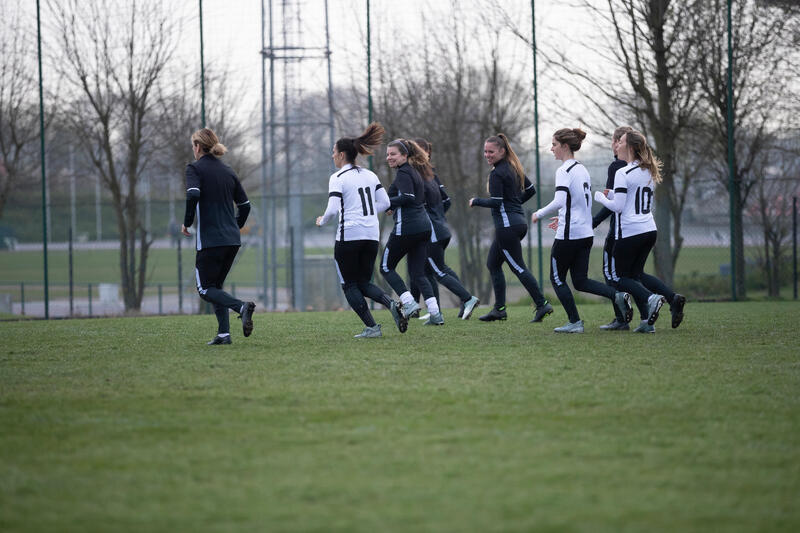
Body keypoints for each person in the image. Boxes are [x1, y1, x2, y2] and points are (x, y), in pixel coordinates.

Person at [531, 128, 632, 333]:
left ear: (565, 146)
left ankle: (575, 322)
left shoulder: (564, 170)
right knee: (580, 280)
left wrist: (538, 213)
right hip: (585, 233)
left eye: (554, 145)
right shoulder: (582, 169)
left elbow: (560, 200)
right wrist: (563, 218)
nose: (551, 149)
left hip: (569, 235)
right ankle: (618, 295)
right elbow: (577, 203)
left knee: (557, 278)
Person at [316, 123, 407, 338]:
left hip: (349, 236)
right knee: (364, 282)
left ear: (341, 155)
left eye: (333, 152)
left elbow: (332, 209)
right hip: (371, 236)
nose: (332, 156)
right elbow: (385, 203)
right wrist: (365, 214)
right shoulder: (370, 175)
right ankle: (391, 304)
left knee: (349, 285)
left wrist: (321, 221)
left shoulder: (338, 178)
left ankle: (373, 328)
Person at [593, 130, 686, 333]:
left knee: (618, 277)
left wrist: (600, 197)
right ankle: (647, 322)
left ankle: (652, 299)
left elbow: (617, 207)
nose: (618, 145)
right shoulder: (648, 171)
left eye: (622, 142)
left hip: (630, 232)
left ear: (632, 147)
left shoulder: (622, 172)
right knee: (636, 274)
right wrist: (614, 196)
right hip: (649, 230)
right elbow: (629, 199)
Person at [182, 128, 256, 345]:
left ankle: (241, 307)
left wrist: (186, 222)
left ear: (197, 146)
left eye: (193, 147)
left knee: (205, 288)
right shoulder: (228, 171)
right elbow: (245, 205)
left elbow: (193, 193)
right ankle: (224, 334)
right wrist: (234, 226)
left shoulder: (194, 169)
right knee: (216, 286)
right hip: (232, 240)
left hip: (211, 240)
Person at [470, 133, 552, 322]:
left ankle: (542, 304)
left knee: (518, 267)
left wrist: (476, 201)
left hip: (507, 227)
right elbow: (530, 190)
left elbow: (497, 202)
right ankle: (499, 309)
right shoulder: (513, 168)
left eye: (491, 151)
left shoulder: (498, 172)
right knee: (493, 263)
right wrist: (515, 205)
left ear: (502, 151)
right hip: (517, 223)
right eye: (485, 151)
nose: (487, 155)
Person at [410, 138, 480, 321]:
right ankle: (436, 312)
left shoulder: (421, 176)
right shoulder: (427, 175)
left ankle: (467, 299)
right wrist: (439, 217)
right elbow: (446, 201)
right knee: (428, 270)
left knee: (438, 270)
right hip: (440, 228)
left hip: (433, 231)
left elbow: (420, 202)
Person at [381, 138, 442, 325]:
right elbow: (396, 194)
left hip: (408, 227)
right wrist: (390, 202)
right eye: (387, 154)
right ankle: (436, 314)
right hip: (424, 227)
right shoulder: (413, 172)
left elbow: (407, 197)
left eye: (393, 154)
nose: (388, 157)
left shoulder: (404, 174)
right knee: (418, 274)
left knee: (385, 267)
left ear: (405, 155)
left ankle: (409, 303)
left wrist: (388, 203)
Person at [592, 126, 633, 330]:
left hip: (618, 230)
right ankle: (645, 314)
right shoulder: (640, 166)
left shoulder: (616, 166)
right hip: (637, 230)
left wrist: (593, 222)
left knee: (610, 274)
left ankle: (621, 319)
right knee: (633, 275)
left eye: (613, 140)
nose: (612, 144)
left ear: (618, 142)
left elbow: (612, 203)